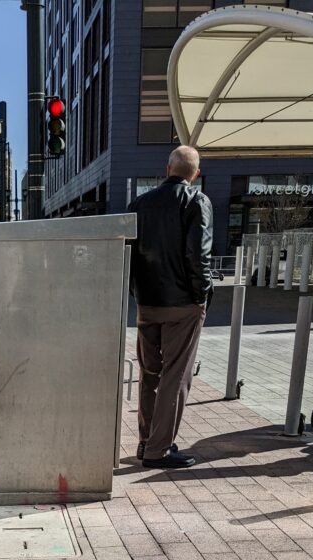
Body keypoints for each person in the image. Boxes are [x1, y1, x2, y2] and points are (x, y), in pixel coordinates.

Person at [128, 145, 213, 469]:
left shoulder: (139, 204)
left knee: (150, 374)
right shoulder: (197, 202)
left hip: (148, 303)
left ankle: (146, 441)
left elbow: (130, 256)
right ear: (196, 174)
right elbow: (198, 255)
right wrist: (200, 295)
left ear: (167, 170)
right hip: (182, 304)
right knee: (175, 375)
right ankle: (158, 450)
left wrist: (138, 293)